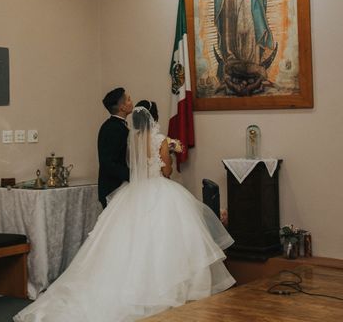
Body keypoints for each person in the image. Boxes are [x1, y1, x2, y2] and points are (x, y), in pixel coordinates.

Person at [13, 106, 235, 322]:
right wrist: (170, 154)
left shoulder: (133, 141)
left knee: (130, 244)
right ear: (154, 119)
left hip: (135, 192)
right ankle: (167, 287)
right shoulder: (161, 140)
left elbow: (136, 167)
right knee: (166, 241)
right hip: (160, 189)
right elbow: (166, 171)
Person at [96, 87, 133, 208]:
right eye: (128, 99)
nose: (131, 101)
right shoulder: (113, 129)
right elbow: (108, 162)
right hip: (113, 188)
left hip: (119, 186)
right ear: (121, 107)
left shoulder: (117, 126)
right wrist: (132, 175)